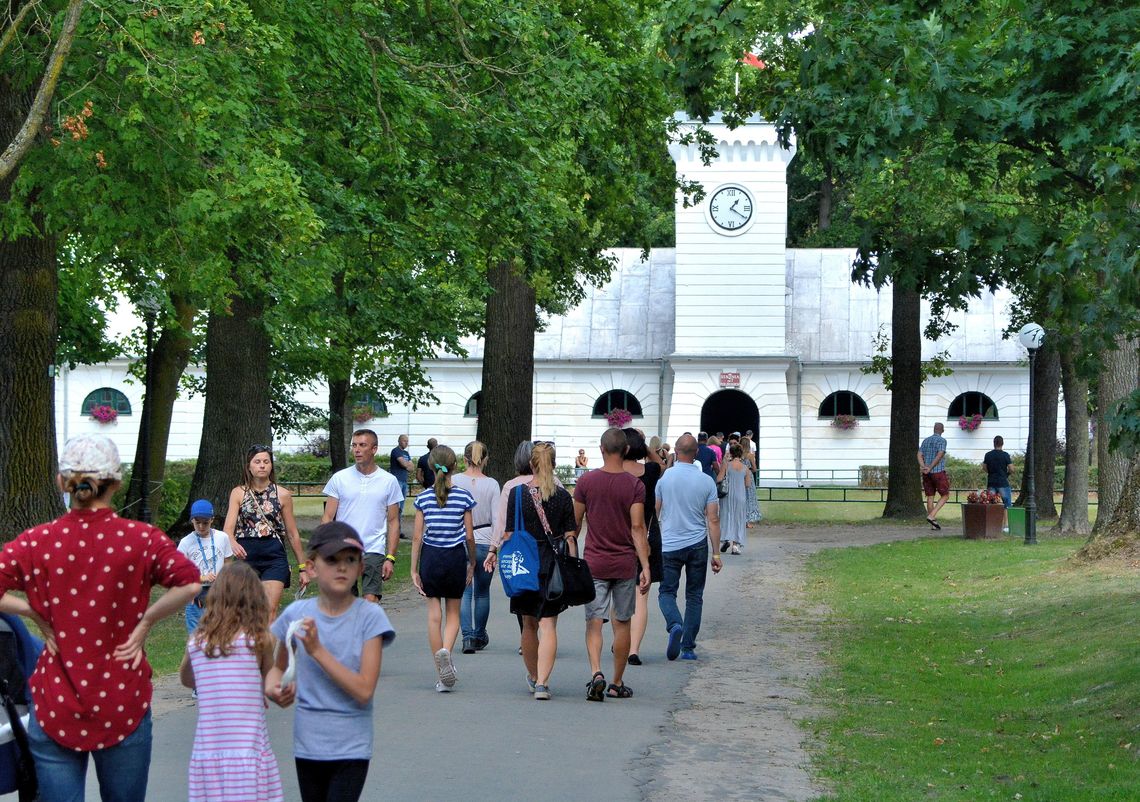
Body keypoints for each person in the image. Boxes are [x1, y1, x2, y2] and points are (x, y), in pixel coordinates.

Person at [0, 434, 201, 802]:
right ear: (117, 483)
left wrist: (32, 610)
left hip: (55, 698)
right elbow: (189, 584)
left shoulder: (36, 542)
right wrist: (145, 622)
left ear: (62, 482)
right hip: (122, 696)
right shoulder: (141, 540)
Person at [266, 522, 395, 802]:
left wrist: (317, 651)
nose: (342, 567)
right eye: (332, 559)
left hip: (351, 747)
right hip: (308, 745)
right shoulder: (296, 614)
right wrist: (274, 689)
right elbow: (275, 668)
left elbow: (364, 690)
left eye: (350, 560)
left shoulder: (369, 617)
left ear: (361, 568)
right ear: (311, 568)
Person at [179, 562, 283, 802]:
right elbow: (270, 681)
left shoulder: (197, 642)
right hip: (249, 748)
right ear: (255, 599)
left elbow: (186, 679)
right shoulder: (259, 640)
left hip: (209, 751)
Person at [484, 443, 576, 700]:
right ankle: (543, 684)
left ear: (530, 464)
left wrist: (493, 552)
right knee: (549, 625)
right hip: (551, 564)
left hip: (523, 563)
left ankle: (534, 675)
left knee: (528, 623)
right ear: (554, 464)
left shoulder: (516, 494)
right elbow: (570, 535)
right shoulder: (562, 496)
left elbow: (509, 533)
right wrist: (573, 567)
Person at [573, 428, 650, 701]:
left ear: (601, 449)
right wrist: (646, 566)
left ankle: (596, 672)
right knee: (622, 622)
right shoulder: (634, 486)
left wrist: (572, 553)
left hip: (595, 561)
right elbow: (638, 528)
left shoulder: (587, 482)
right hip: (624, 564)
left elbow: (575, 523)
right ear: (627, 450)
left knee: (594, 621)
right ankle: (617, 681)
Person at [411, 445, 476, 692]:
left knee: (433, 614)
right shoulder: (463, 496)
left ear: (429, 466)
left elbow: (417, 537)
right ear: (454, 466)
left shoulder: (423, 498)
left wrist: (414, 570)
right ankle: (447, 651)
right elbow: (469, 536)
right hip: (454, 557)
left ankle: (441, 674)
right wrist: (472, 562)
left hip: (431, 557)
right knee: (453, 613)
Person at [493, 441, 566, 655]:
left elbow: (504, 524)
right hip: (549, 554)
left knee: (525, 609)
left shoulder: (512, 488)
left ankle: (528, 641)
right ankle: (545, 644)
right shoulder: (557, 484)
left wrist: (494, 548)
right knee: (548, 611)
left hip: (523, 553)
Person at [656, 434, 723, 661]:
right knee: (694, 596)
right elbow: (713, 520)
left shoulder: (665, 479)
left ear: (675, 451)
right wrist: (716, 553)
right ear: (696, 453)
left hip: (670, 543)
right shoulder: (706, 481)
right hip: (696, 543)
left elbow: (656, 512)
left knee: (666, 591)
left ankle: (674, 623)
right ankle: (688, 647)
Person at [224, 445, 310, 619]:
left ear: (271, 466)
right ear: (249, 466)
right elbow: (228, 528)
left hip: (274, 556)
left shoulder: (283, 494)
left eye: (266, 461)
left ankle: (267, 646)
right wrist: (232, 542)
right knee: (247, 611)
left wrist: (303, 568)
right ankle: (249, 645)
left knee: (270, 610)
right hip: (246, 555)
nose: (262, 465)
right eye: (257, 462)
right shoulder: (238, 493)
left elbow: (292, 533)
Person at [321, 429, 403, 603]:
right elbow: (328, 517)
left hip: (374, 548)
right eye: (354, 445)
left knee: (370, 601)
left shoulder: (388, 481)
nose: (357, 450)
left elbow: (394, 521)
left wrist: (391, 557)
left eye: (362, 445)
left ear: (374, 449)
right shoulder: (339, 478)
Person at [621, 428, 664, 667]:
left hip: (619, 537)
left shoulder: (614, 473)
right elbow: (660, 462)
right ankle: (633, 649)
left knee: (618, 591)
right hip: (647, 534)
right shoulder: (650, 471)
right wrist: (644, 445)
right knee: (641, 596)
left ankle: (621, 638)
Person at [454, 441, 500, 653]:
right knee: (482, 592)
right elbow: (497, 518)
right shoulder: (491, 484)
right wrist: (494, 546)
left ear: (464, 459)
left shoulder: (454, 481)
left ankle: (467, 636)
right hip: (484, 538)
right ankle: (480, 634)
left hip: (459, 538)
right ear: (485, 460)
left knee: (465, 591)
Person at [178, 499, 234, 634]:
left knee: (219, 634)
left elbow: (228, 562)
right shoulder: (186, 542)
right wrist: (202, 578)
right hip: (196, 593)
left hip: (218, 592)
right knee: (197, 638)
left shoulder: (222, 537)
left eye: (205, 522)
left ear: (212, 520)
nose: (201, 526)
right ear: (192, 520)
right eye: (197, 523)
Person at [716, 442, 753, 554]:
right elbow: (747, 484)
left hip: (727, 495)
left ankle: (725, 539)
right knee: (738, 519)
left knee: (726, 516)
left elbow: (719, 479)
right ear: (741, 453)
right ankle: (735, 545)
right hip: (740, 495)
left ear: (731, 453)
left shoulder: (726, 464)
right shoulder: (745, 468)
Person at [917, 422, 950, 530]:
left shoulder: (926, 440)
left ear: (934, 429)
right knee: (945, 495)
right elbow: (940, 454)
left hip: (926, 473)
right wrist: (930, 467)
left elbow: (919, 454)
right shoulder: (942, 441)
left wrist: (924, 467)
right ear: (942, 430)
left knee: (930, 496)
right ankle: (931, 516)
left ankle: (933, 525)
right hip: (938, 472)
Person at [983, 435, 1015, 532]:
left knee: (991, 503)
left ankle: (992, 524)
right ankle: (1005, 526)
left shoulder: (988, 455)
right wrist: (1007, 474)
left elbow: (984, 467)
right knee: (1007, 504)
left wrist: (990, 472)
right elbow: (1012, 469)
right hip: (1003, 482)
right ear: (1002, 443)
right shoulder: (1005, 455)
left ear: (994, 443)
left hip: (991, 482)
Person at [740, 435, 763, 526]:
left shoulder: (738, 455)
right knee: (750, 497)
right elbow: (754, 468)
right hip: (748, 476)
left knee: (742, 498)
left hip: (740, 477)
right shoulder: (750, 455)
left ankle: (741, 518)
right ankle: (748, 519)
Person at [388, 434, 414, 500]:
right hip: (397, 480)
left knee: (402, 503)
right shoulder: (395, 451)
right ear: (399, 441)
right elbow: (404, 464)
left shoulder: (406, 453)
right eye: (404, 441)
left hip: (405, 480)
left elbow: (412, 468)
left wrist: (405, 464)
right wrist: (407, 464)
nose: (406, 443)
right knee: (396, 502)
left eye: (407, 441)